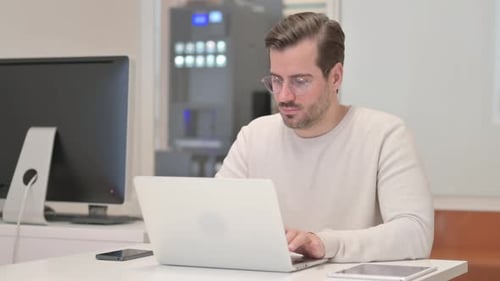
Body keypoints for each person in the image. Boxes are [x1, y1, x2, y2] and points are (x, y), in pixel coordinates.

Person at [215, 12, 434, 262]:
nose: (284, 96)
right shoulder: (254, 136)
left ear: (336, 77)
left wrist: (325, 243)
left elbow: (415, 234)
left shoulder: (385, 135)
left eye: (300, 81)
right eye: (276, 80)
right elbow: (214, 217)